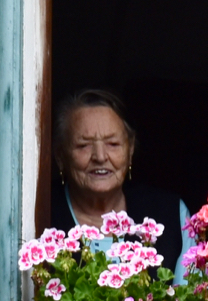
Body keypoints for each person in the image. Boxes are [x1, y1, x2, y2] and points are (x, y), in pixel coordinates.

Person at [49, 89, 193, 280]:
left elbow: (191, 296)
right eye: (83, 145)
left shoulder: (171, 213)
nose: (100, 157)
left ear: (130, 149)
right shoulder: (40, 215)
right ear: (60, 155)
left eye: (113, 144)